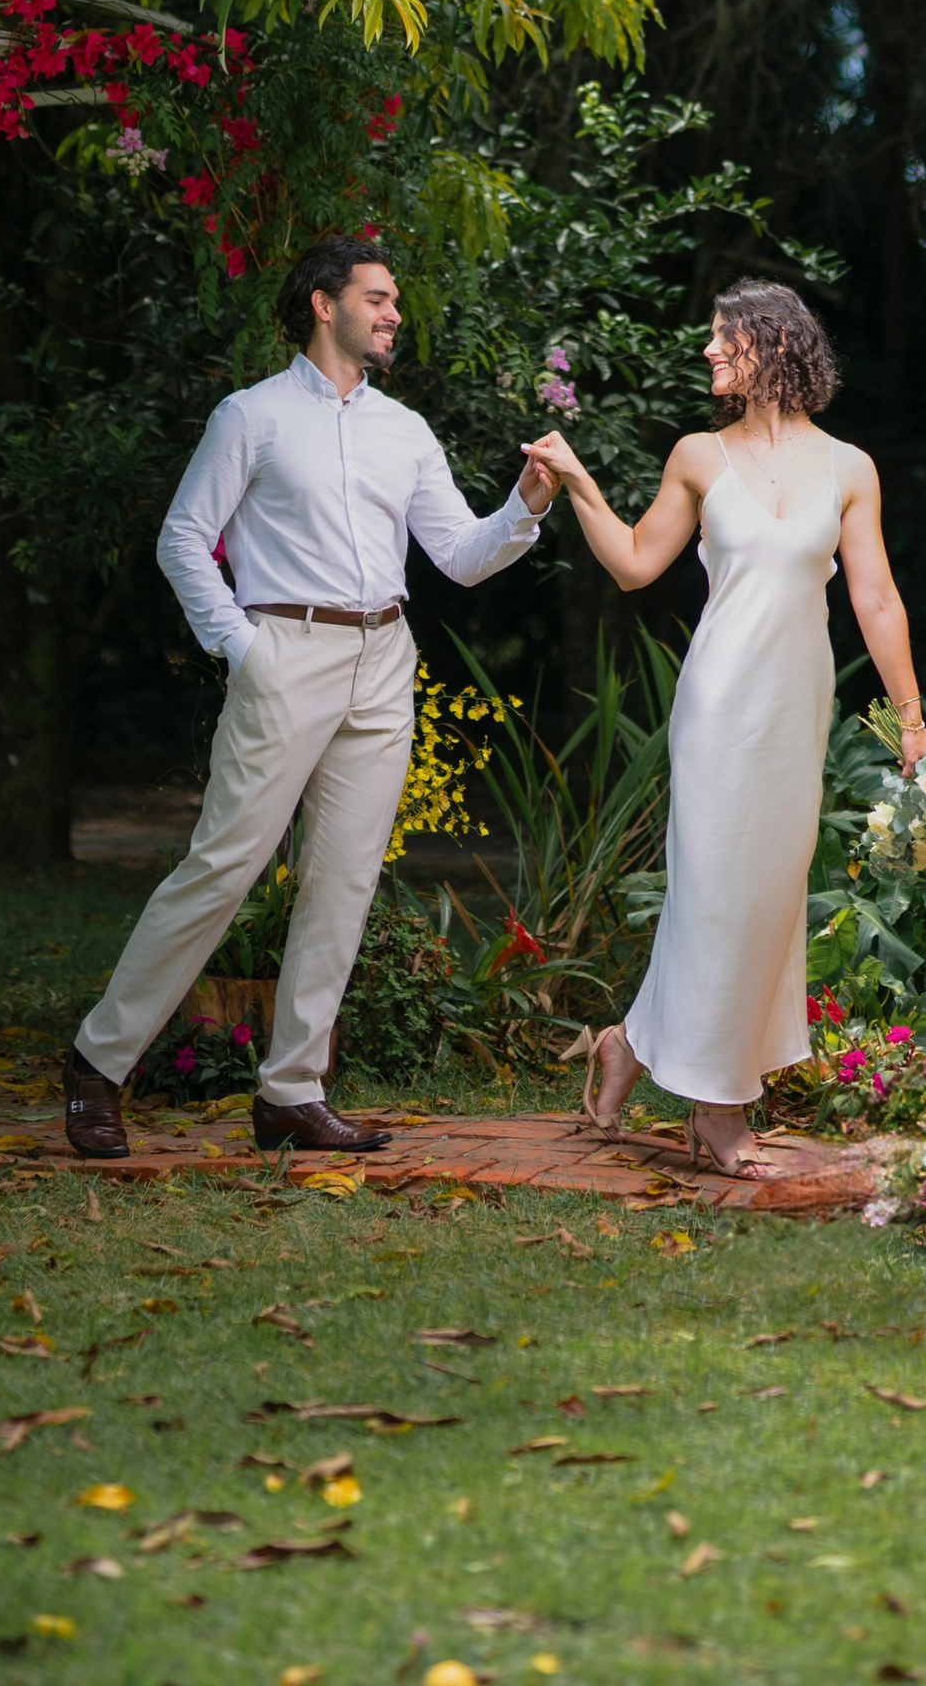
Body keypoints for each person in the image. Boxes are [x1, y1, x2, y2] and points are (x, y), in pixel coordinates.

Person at [64, 235, 558, 1162]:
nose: (393, 314)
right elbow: (184, 538)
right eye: (377, 297)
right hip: (284, 650)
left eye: (395, 301)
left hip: (385, 658)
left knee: (343, 882)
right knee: (223, 867)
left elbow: (458, 553)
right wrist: (244, 649)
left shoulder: (403, 429)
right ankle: (97, 1063)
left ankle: (291, 1092)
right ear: (323, 304)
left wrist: (525, 503)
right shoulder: (249, 416)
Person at [521, 277, 926, 1177]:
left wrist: (911, 722)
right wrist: (583, 483)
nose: (708, 352)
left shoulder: (849, 468)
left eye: (723, 338)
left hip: (796, 709)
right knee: (710, 893)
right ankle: (717, 1112)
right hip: (716, 705)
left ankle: (626, 1045)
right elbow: (634, 564)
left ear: (775, 344)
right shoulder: (698, 456)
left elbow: (875, 597)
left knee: (763, 903)